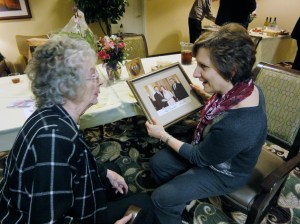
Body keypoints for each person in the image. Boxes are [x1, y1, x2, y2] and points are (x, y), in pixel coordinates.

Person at [0, 35, 157, 224]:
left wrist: (104, 172)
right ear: (66, 86)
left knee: (112, 170)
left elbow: (76, 162)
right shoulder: (53, 139)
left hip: (48, 201)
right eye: (92, 75)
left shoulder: (52, 115)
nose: (99, 81)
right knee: (144, 205)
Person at [145, 23, 267, 224]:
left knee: (161, 198)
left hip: (226, 171)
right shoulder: (245, 87)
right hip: (214, 148)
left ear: (232, 69)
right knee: (158, 164)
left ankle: (169, 201)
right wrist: (206, 97)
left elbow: (200, 157)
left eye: (203, 66)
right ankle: (178, 200)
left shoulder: (238, 123)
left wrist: (163, 136)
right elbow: (223, 109)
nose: (195, 73)